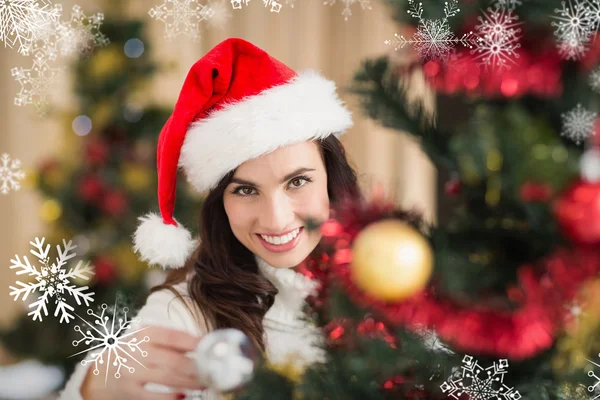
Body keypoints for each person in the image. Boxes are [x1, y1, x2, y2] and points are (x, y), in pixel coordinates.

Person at [59, 37, 361, 400]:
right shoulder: (185, 313)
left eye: (297, 181)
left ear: (331, 176)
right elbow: (128, 377)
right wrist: (94, 388)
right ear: (220, 203)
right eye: (245, 190)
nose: (277, 219)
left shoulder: (402, 279)